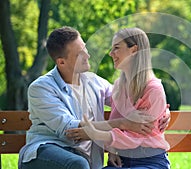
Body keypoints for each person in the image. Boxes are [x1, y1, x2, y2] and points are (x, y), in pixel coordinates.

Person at [18, 26, 168, 169]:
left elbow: (128, 100)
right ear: (61, 62)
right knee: (78, 163)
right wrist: (123, 123)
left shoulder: (94, 82)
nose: (87, 56)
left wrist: (161, 112)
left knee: (79, 162)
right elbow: (71, 130)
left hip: (84, 158)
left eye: (85, 49)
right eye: (79, 54)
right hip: (47, 151)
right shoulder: (41, 88)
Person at [81, 27, 171, 169]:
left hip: (151, 161)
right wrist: (112, 150)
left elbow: (137, 136)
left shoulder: (153, 89)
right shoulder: (119, 86)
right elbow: (115, 121)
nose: (111, 54)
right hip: (122, 160)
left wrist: (96, 134)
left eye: (116, 48)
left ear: (134, 50)